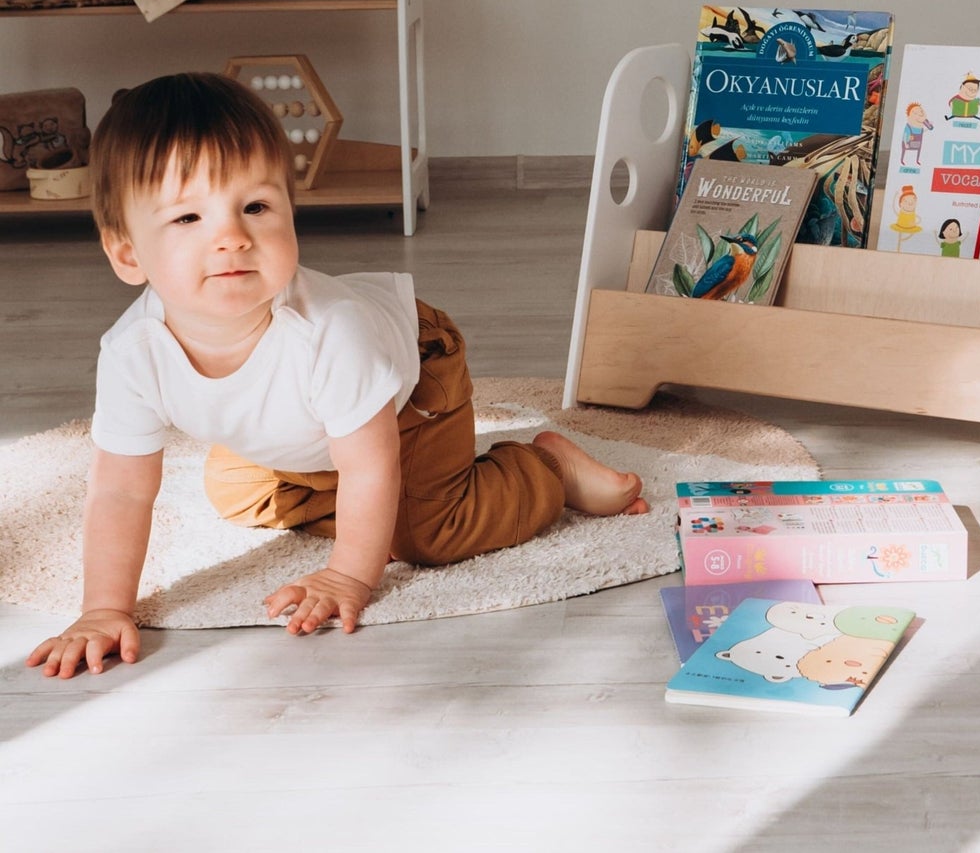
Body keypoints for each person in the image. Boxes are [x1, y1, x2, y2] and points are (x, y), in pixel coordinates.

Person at [28, 72, 648, 679]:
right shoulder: (133, 351)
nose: (233, 238)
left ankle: (544, 470)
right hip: (314, 425)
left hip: (412, 377)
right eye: (188, 219)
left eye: (256, 206)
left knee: (427, 533)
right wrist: (103, 610)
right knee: (235, 493)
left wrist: (348, 573)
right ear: (127, 253)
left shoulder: (331, 334)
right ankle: (365, 506)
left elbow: (369, 464)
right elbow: (120, 492)